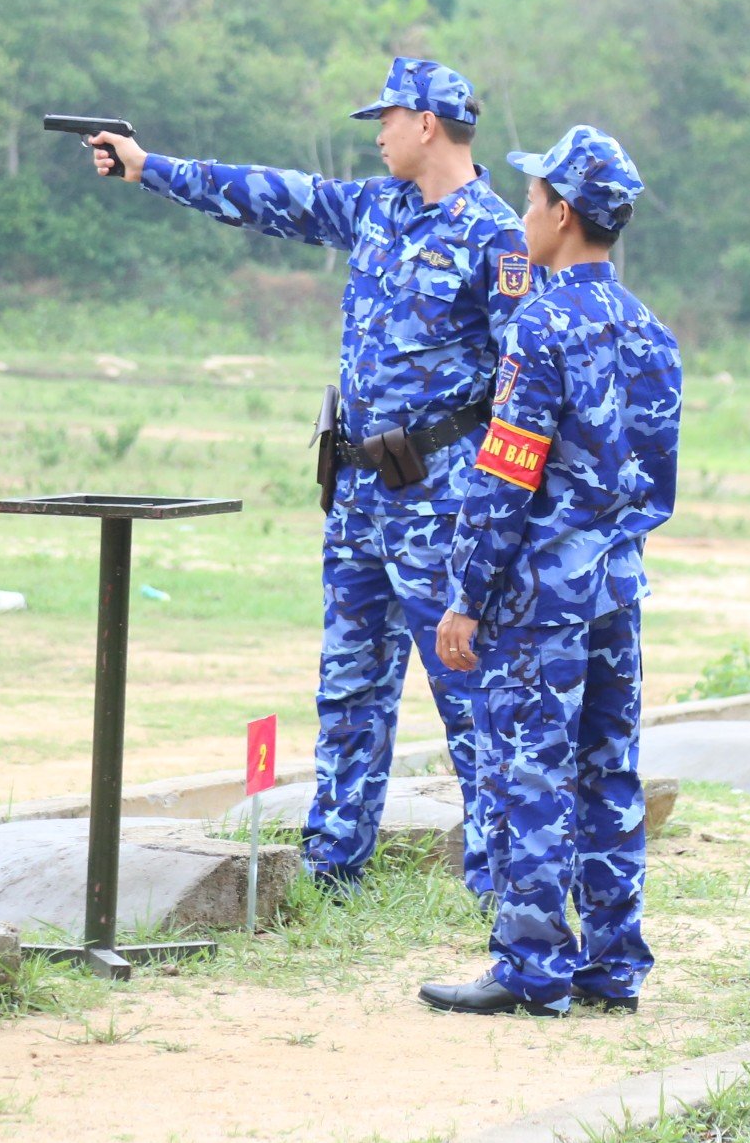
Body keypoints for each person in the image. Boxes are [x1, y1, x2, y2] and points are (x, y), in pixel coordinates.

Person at [85, 59, 528, 897]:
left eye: (387, 119)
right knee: (349, 684)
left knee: (467, 687)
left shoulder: (498, 236)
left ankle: (506, 876)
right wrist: (150, 167)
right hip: (360, 491)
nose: (378, 133)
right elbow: (270, 194)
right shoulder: (375, 209)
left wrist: (502, 513)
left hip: (443, 497)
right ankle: (334, 865)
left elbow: (524, 387)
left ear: (427, 122)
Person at [425, 126, 681, 1017]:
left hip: (540, 596)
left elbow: (504, 477)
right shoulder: (651, 332)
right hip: (616, 588)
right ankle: (613, 967)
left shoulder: (539, 325)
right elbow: (657, 481)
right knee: (610, 771)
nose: (524, 213)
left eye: (533, 199)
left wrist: (466, 597)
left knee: (530, 771)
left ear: (562, 214)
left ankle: (531, 966)